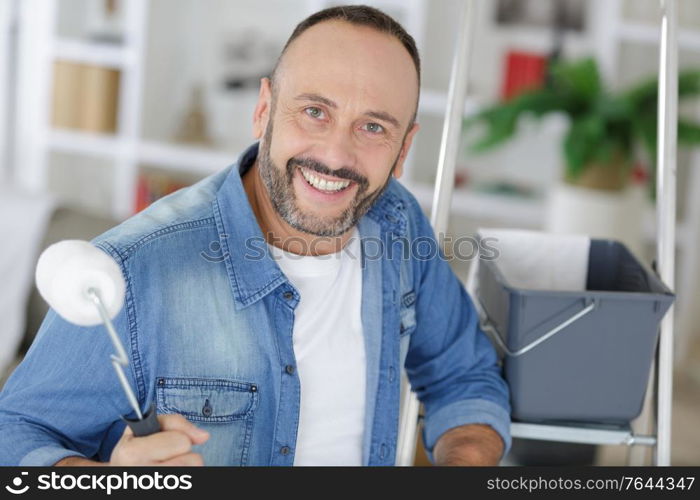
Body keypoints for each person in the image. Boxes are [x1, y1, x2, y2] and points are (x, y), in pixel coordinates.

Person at [0, 5, 511, 466]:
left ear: (404, 148)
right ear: (264, 108)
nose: (335, 156)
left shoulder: (397, 222)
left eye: (373, 127)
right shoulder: (137, 267)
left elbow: (462, 376)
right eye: (315, 111)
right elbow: (15, 432)